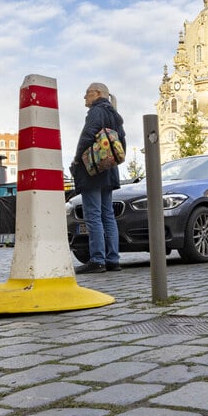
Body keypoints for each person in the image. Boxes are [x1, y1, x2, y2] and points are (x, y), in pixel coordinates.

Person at [70, 82, 126, 274]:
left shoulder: (96, 112)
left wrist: (77, 160)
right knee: (108, 216)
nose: (84, 97)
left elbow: (87, 136)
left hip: (93, 170)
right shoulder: (116, 116)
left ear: (98, 93)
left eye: (87, 93)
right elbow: (122, 144)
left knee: (93, 216)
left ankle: (97, 260)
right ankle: (113, 259)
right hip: (109, 170)